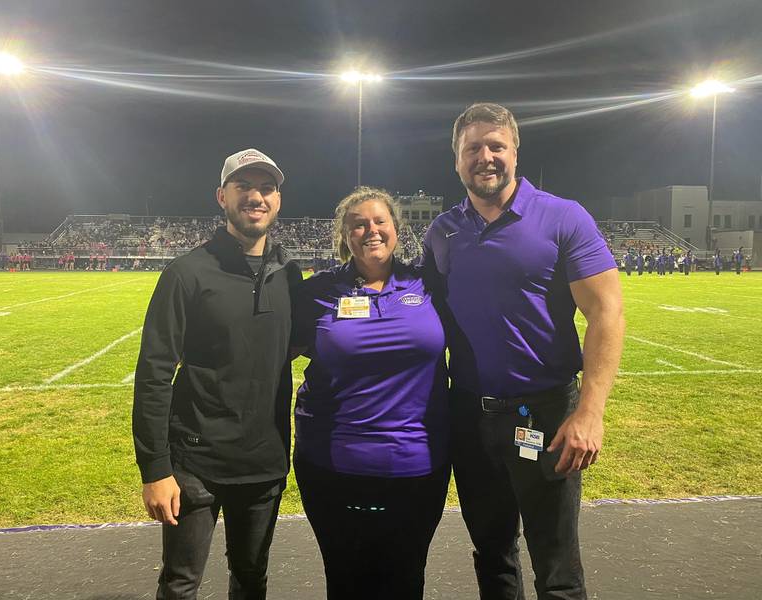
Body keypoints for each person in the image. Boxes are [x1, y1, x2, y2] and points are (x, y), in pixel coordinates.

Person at [422, 103, 625, 600]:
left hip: (544, 412)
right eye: (473, 147)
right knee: (492, 557)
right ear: (456, 159)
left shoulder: (561, 216)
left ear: (515, 152)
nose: (485, 157)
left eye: (496, 146)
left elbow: (607, 313)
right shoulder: (442, 232)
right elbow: (422, 318)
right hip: (469, 414)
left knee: (556, 566)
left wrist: (590, 412)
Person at [132, 148, 301, 600]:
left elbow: (315, 343)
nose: (256, 197)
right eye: (243, 187)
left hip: (263, 463)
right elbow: (153, 373)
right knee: (181, 584)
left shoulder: (290, 275)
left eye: (266, 188)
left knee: (251, 579)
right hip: (194, 463)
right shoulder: (186, 273)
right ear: (221, 196)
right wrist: (155, 468)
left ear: (278, 200)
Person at [291, 187, 450, 600]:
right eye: (358, 224)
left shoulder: (427, 284)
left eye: (380, 221)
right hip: (333, 464)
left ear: (397, 229)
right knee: (345, 580)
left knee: (407, 578)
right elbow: (269, 345)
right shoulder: (318, 293)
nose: (370, 230)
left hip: (418, 464)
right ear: (344, 235)